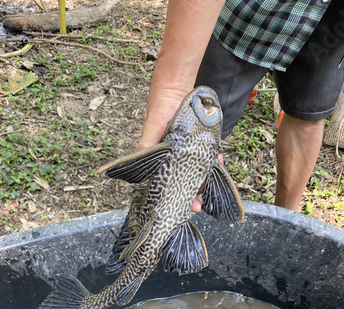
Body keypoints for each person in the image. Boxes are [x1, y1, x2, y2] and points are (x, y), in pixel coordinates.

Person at [137, 0, 344, 212]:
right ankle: (158, 222)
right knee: (196, 125)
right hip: (252, 16)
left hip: (335, 19)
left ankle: (285, 219)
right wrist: (174, 87)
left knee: (307, 113)